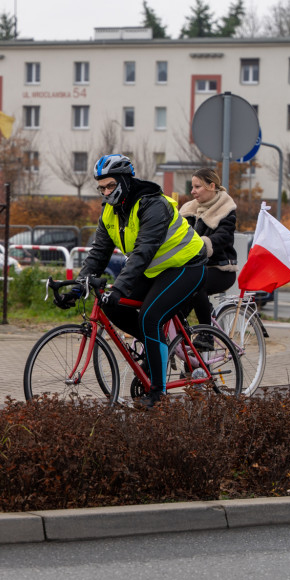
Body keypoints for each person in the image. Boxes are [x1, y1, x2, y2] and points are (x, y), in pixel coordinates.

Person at [65, 154, 208, 408]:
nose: (106, 193)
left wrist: (119, 287)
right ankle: (156, 348)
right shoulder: (110, 212)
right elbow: (98, 254)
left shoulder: (153, 205)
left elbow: (143, 251)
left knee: (150, 317)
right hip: (155, 270)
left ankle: (158, 393)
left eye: (111, 186)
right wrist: (77, 288)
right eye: (101, 188)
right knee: (111, 305)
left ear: (125, 181)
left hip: (186, 265)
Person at [178, 167, 238, 348]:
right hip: (193, 268)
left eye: (197, 187)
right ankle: (181, 340)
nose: (192, 191)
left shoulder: (226, 209)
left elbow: (223, 237)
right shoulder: (188, 210)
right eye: (192, 187)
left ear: (212, 186)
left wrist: (203, 245)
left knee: (197, 285)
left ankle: (207, 335)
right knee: (173, 296)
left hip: (220, 268)